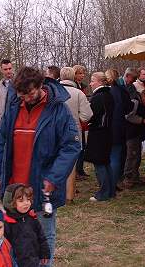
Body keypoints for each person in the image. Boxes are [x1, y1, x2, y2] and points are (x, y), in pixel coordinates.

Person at [0, 67, 81, 266]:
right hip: (13, 187)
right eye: (22, 95)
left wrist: (53, 178)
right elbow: (1, 141)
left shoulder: (59, 110)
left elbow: (72, 146)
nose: (26, 98)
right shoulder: (14, 106)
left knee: (43, 235)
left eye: (30, 93)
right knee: (11, 236)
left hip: (42, 189)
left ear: (41, 86)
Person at [59, 67, 93, 202]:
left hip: (55, 132)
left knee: (56, 161)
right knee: (71, 163)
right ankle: (69, 195)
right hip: (72, 131)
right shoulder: (78, 93)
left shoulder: (52, 91)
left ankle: (57, 192)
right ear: (73, 77)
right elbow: (87, 115)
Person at [3, 184, 51, 267]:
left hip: (34, 260)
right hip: (16, 262)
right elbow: (3, 246)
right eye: (21, 201)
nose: (26, 203)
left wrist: (44, 253)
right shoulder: (7, 223)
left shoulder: (32, 218)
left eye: (28, 200)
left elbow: (41, 237)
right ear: (10, 203)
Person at [84, 72, 115, 201]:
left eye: (92, 80)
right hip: (107, 132)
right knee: (105, 162)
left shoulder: (99, 97)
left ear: (100, 82)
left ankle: (103, 192)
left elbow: (92, 115)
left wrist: (88, 121)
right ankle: (110, 190)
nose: (90, 83)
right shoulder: (109, 95)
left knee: (100, 163)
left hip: (98, 133)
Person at [105, 68, 133, 192]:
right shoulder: (122, 91)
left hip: (106, 127)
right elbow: (129, 108)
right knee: (115, 156)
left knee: (110, 156)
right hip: (119, 126)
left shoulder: (105, 91)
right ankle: (113, 182)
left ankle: (108, 183)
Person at [122, 88, 145, 188]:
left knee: (137, 156)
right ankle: (128, 178)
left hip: (138, 133)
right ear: (144, 96)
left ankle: (135, 177)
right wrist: (142, 120)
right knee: (131, 156)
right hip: (131, 133)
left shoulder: (141, 103)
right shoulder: (135, 102)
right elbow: (128, 116)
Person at [72, 64, 89, 177]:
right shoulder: (74, 87)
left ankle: (80, 169)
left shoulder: (82, 86)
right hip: (76, 118)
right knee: (77, 145)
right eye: (79, 73)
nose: (82, 75)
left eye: (83, 73)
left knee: (83, 145)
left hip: (82, 120)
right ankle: (76, 171)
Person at [0, 59, 14, 128]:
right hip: (2, 124)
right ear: (1, 70)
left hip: (16, 123)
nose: (8, 71)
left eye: (10, 68)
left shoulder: (19, 84)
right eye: (5, 69)